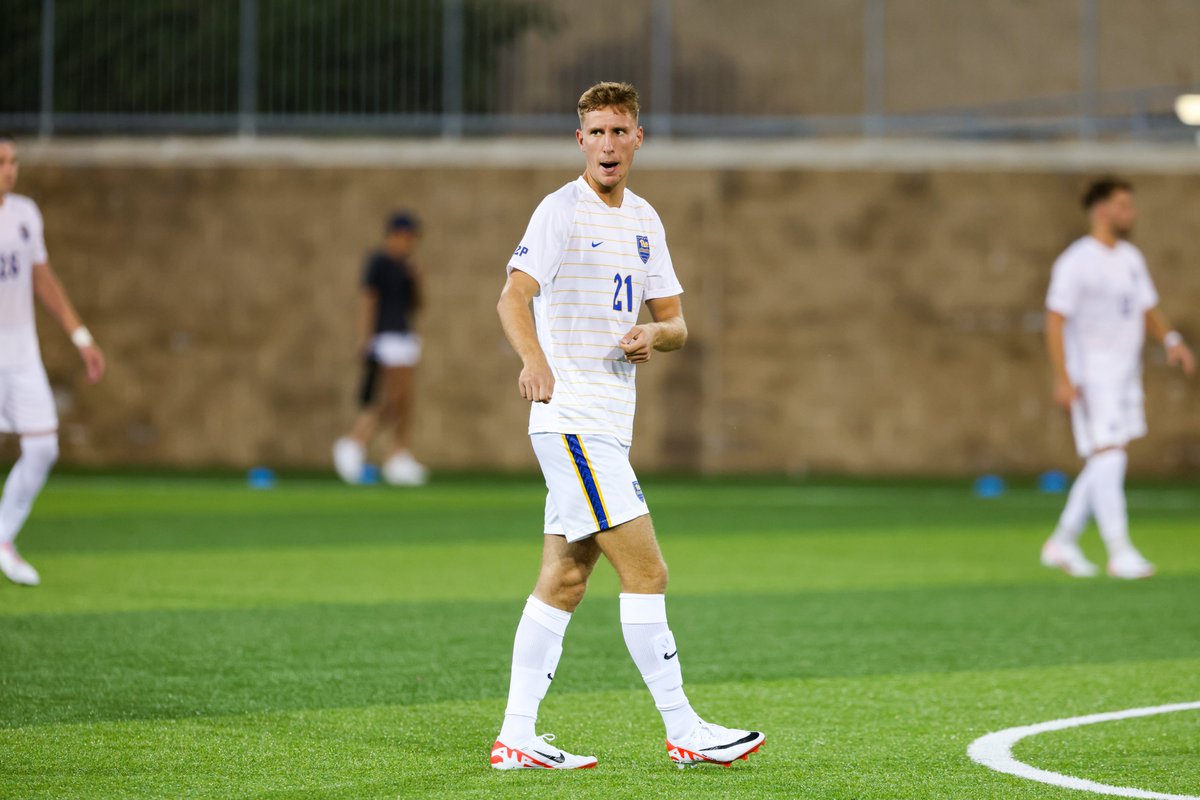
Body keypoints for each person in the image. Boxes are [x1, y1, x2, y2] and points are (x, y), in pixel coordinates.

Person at [490, 82, 764, 771]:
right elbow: (512, 296)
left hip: (608, 423)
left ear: (638, 138)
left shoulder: (645, 219)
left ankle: (516, 736)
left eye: (620, 132)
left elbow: (677, 323)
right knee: (648, 569)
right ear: (579, 140)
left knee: (564, 579)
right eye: (597, 133)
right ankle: (685, 729)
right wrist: (534, 359)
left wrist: (656, 335)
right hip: (574, 419)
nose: (608, 145)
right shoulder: (560, 211)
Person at [1041, 177, 1194, 580]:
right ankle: (1120, 551)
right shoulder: (1076, 262)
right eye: (1124, 205)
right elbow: (1055, 322)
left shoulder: (1130, 258)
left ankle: (1062, 540)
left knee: (1105, 459)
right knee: (1111, 455)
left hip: (1126, 373)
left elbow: (1147, 307)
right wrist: (1063, 378)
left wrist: (1172, 340)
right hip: (1093, 374)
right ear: (1101, 209)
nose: (1132, 213)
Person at [0, 135, 106, 586]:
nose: (10, 168)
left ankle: (3, 537)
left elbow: (43, 281)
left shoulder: (25, 214)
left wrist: (81, 336)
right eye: (1, 161)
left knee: (43, 447)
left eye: (13, 160)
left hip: (22, 354)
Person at [333, 212, 427, 486]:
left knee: (403, 400)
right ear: (394, 235)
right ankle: (354, 442)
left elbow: (418, 304)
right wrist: (365, 338)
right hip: (384, 337)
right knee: (389, 397)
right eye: (406, 236)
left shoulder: (408, 266)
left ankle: (398, 455)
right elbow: (368, 300)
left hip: (404, 336)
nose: (410, 243)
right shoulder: (379, 262)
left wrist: (417, 279)